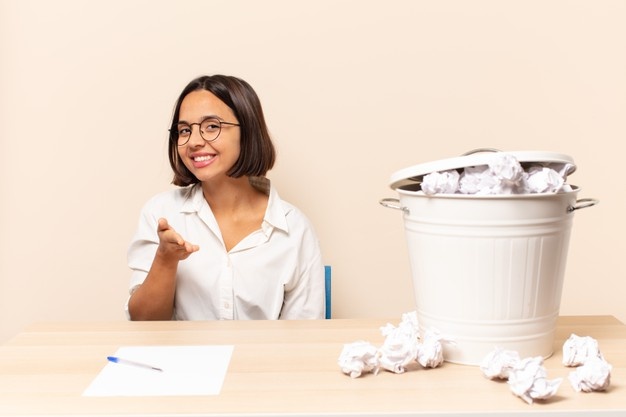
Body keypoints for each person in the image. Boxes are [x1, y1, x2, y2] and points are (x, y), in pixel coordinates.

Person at [126, 74, 325, 321]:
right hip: (183, 361)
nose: (194, 142)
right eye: (185, 130)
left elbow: (304, 340)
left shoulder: (295, 229)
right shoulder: (161, 214)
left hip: (263, 361)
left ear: (248, 130)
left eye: (212, 126)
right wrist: (165, 260)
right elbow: (143, 324)